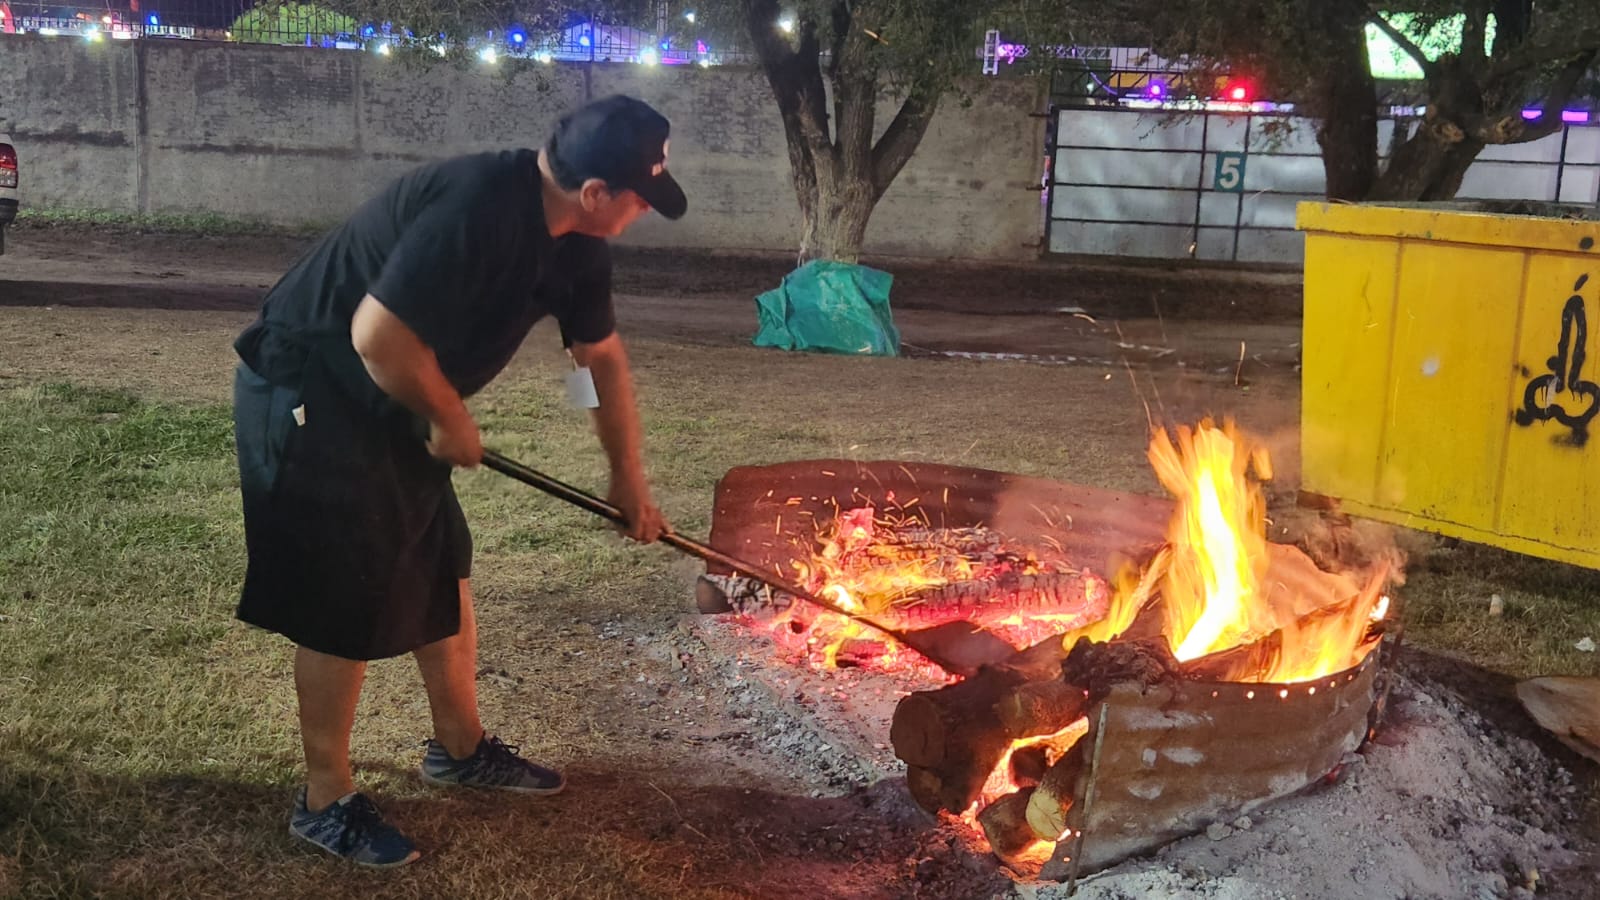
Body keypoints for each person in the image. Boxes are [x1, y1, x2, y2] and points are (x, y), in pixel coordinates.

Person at [229, 94, 685, 868]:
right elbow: (375, 334)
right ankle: (323, 797)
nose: (645, 210)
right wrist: (446, 413)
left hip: (396, 393)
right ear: (596, 193)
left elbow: (593, 363)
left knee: (441, 564)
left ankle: (459, 748)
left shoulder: (577, 244)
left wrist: (623, 475)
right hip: (317, 385)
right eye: (640, 197)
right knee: (348, 590)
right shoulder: (480, 210)